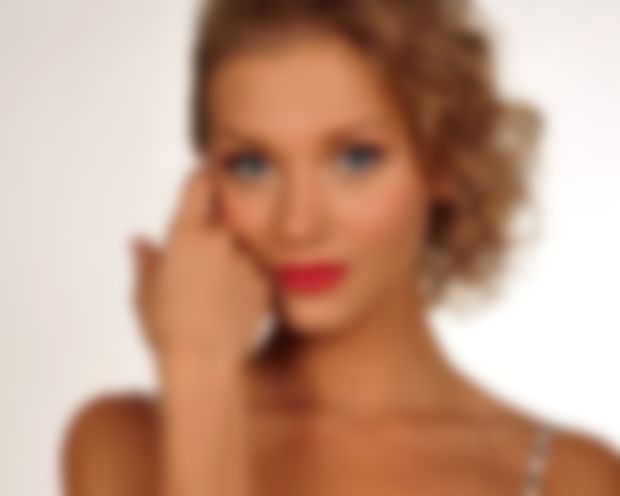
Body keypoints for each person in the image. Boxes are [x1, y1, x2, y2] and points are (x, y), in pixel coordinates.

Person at [61, 0, 620, 494]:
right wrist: (198, 369)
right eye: (252, 164)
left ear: (443, 158)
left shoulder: (570, 479)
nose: (298, 224)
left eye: (356, 158)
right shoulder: (122, 444)